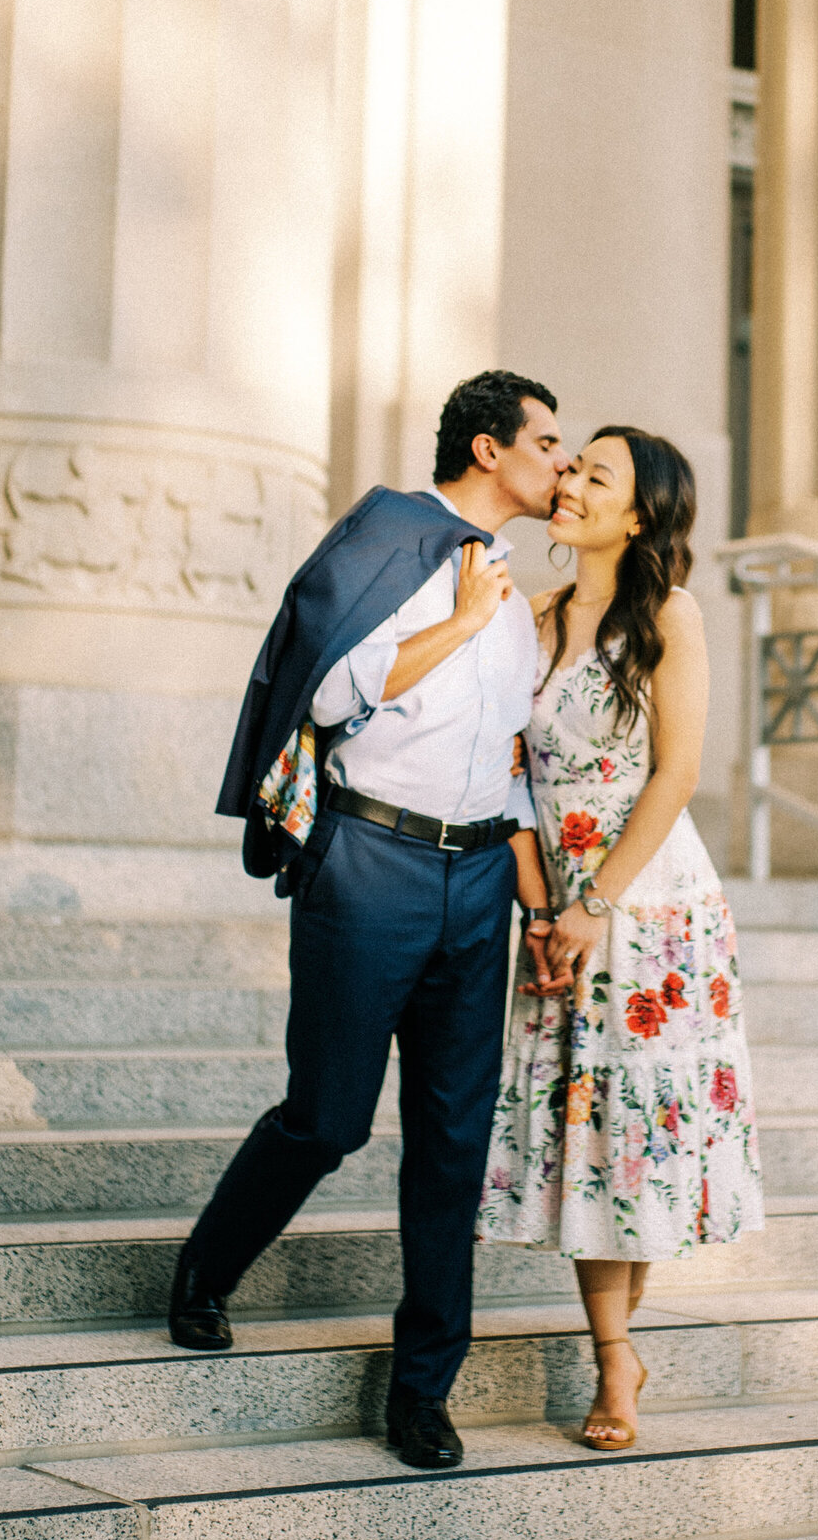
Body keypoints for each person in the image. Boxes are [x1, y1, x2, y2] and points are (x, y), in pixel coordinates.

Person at [169, 371, 568, 1473]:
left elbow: (510, 761)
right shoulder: (393, 535)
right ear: (487, 450)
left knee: (453, 1144)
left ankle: (423, 1387)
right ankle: (205, 1268)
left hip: (480, 878)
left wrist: (538, 906)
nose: (559, 462)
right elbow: (334, 692)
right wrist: (465, 622)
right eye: (544, 441)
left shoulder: (517, 595)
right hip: (373, 862)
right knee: (331, 1116)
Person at [476, 427, 765, 1451]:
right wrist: (540, 904)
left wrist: (596, 901)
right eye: (574, 464)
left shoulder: (670, 616)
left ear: (637, 514)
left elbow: (675, 773)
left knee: (626, 1135)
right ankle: (618, 1352)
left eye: (598, 475)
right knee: (594, 1135)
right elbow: (505, 775)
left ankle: (613, 1364)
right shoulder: (527, 614)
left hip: (650, 908)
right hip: (558, 904)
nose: (572, 482)